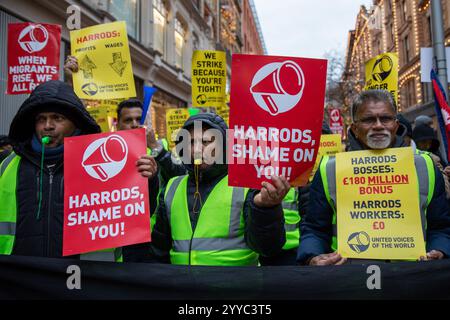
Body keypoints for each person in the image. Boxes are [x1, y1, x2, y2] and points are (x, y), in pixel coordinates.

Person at [0, 80, 158, 261]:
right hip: (19, 278)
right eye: (41, 119)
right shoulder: (7, 166)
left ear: (75, 123)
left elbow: (135, 215)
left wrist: (149, 181)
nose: (48, 126)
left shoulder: (102, 163)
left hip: (82, 279)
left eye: (57, 118)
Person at [298, 89, 450, 265]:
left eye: (385, 118)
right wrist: (313, 256)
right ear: (354, 128)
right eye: (368, 119)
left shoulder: (425, 166)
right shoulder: (329, 169)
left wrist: (440, 250)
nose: (378, 125)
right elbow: (314, 229)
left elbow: (441, 227)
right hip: (350, 278)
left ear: (396, 124)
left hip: (411, 277)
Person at [127, 113, 288, 266]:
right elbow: (159, 252)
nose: (197, 149)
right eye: (190, 142)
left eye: (206, 141)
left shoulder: (244, 186)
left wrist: (266, 209)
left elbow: (267, 248)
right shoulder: (172, 187)